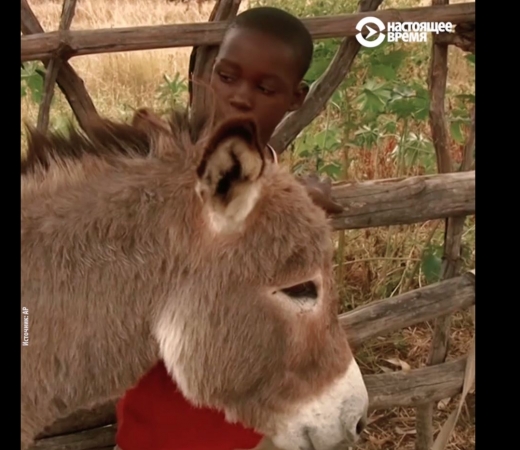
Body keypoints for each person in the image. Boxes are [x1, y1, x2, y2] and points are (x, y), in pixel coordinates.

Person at [115, 7, 343, 450]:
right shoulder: (159, 172)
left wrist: (293, 202)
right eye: (228, 76)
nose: (240, 97)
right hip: (158, 424)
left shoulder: (278, 182)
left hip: (248, 429)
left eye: (264, 87)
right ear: (210, 74)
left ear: (296, 98)